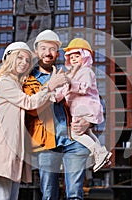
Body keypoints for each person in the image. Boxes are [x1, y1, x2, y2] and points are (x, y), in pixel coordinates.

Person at [0, 41, 68, 200]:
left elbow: (35, 105)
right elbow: (29, 103)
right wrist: (50, 86)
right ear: (9, 59)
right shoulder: (6, 81)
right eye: (20, 58)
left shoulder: (17, 83)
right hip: (4, 150)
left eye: (28, 60)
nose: (24, 62)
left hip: (14, 151)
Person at [23, 30, 92, 199]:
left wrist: (88, 122)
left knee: (75, 194)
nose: (48, 53)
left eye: (52, 49)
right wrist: (51, 86)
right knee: (48, 195)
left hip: (74, 139)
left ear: (58, 53)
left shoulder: (70, 74)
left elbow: (90, 100)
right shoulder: (27, 80)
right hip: (47, 143)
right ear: (36, 52)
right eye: (44, 48)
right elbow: (31, 109)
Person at [55, 38, 111, 172]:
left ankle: (98, 153)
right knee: (88, 132)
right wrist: (55, 95)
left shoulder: (86, 71)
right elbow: (62, 91)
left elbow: (84, 87)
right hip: (80, 110)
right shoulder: (71, 74)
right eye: (71, 57)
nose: (74, 59)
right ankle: (103, 155)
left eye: (77, 56)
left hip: (85, 108)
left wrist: (68, 82)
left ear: (85, 57)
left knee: (75, 133)